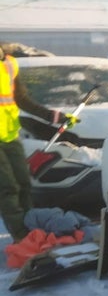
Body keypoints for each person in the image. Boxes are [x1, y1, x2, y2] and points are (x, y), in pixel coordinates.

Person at [0, 47, 76, 242]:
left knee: (24, 183)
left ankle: (30, 228)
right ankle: (21, 236)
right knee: (8, 188)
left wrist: (53, 116)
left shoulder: (9, 64)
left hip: (10, 135)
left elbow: (21, 99)